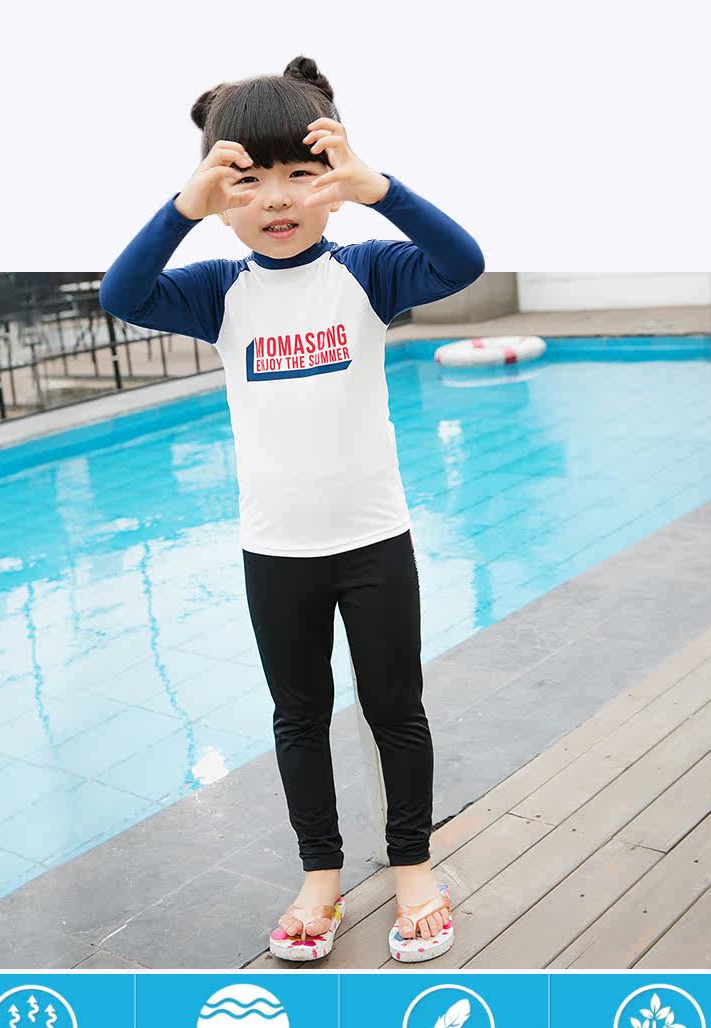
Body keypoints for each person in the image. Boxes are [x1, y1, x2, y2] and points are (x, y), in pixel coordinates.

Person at [99, 55, 485, 963]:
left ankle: (413, 865)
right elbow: (122, 294)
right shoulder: (216, 291)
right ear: (219, 198)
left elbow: (461, 261)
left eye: (301, 174)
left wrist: (380, 188)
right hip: (276, 549)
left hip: (373, 538)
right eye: (248, 180)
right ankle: (320, 874)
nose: (276, 197)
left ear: (334, 185)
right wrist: (182, 208)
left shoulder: (369, 273)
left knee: (395, 708)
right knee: (298, 716)